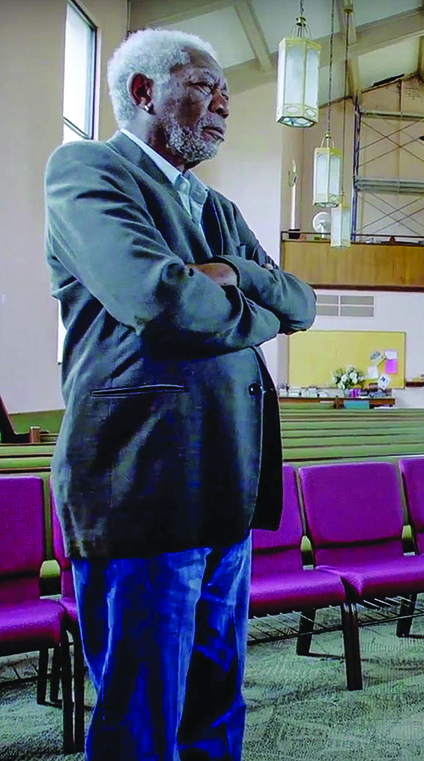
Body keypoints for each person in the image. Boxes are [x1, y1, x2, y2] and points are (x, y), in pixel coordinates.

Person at [45, 29, 316, 760]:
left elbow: (300, 303)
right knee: (142, 715)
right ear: (143, 92)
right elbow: (161, 301)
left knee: (215, 704)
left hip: (224, 481)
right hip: (142, 483)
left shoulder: (217, 210)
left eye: (225, 87)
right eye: (204, 83)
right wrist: (246, 305)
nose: (225, 100)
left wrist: (230, 272)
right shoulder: (89, 171)